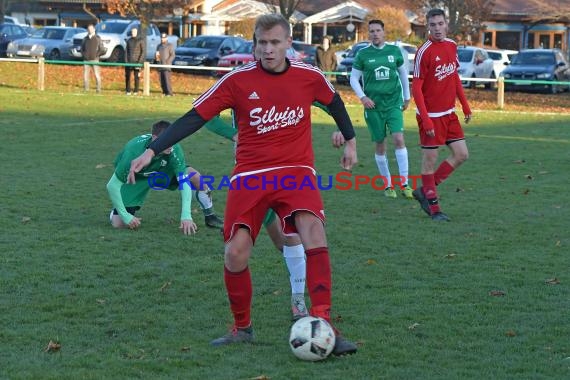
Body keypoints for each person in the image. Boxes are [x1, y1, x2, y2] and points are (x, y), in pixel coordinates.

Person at [128, 13, 358, 356]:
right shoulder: (236, 81)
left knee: (313, 231)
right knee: (235, 253)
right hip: (250, 176)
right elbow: (195, 117)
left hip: (295, 171)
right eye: (261, 43)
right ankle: (242, 328)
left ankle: (323, 322)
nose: (267, 49)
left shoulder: (308, 77)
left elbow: (334, 102)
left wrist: (350, 139)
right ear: (254, 44)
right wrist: (152, 150)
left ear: (288, 44)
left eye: (275, 43)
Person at [106, 120, 224, 233]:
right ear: (154, 139)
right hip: (138, 178)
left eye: (172, 139)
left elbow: (184, 182)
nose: (171, 145)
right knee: (120, 224)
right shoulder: (133, 152)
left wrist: (186, 215)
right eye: (166, 141)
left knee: (196, 177)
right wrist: (126, 216)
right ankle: (116, 213)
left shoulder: (174, 148)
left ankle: (210, 216)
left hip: (163, 171)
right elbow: (112, 186)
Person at [411, 8, 472, 221]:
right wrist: (426, 119)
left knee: (462, 154)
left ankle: (425, 190)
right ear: (428, 26)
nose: (437, 28)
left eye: (440, 24)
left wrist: (465, 105)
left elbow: (454, 77)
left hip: (449, 113)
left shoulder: (451, 45)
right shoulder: (423, 51)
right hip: (430, 116)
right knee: (430, 159)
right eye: (433, 25)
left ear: (446, 24)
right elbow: (416, 87)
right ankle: (435, 210)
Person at [350, 19, 413, 199]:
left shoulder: (394, 52)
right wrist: (363, 97)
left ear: (384, 33)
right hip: (373, 107)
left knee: (399, 139)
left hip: (393, 103)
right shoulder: (362, 55)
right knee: (380, 143)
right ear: (368, 34)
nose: (375, 34)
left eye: (378, 30)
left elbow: (403, 74)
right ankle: (388, 185)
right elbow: (354, 79)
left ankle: (405, 184)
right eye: (372, 31)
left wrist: (407, 97)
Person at [81, 24, 104, 93]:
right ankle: (86, 89)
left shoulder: (98, 38)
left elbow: (102, 49)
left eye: (91, 29)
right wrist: (84, 55)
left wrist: (96, 55)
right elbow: (82, 49)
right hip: (86, 60)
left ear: (94, 29)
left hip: (95, 60)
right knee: (85, 76)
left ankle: (98, 89)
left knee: (97, 75)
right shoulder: (85, 39)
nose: (90, 30)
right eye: (88, 29)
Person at [125, 28, 145, 95]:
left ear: (137, 32)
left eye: (134, 32)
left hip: (137, 62)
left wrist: (139, 62)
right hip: (129, 62)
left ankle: (136, 90)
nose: (133, 33)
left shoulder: (140, 40)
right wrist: (126, 61)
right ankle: (128, 90)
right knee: (127, 77)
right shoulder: (129, 41)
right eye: (132, 31)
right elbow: (126, 52)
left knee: (137, 77)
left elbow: (143, 52)